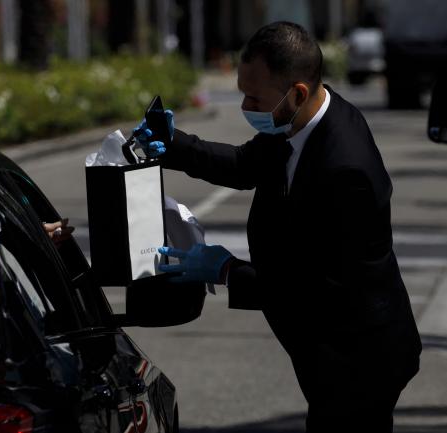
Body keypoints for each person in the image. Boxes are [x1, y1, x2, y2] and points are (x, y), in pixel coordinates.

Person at [135, 21, 422, 433]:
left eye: (254, 97)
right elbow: (244, 164)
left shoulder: (346, 169)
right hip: (328, 349)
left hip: (360, 357)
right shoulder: (299, 121)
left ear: (298, 92)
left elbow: (316, 288)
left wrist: (226, 270)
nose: (245, 106)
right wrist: (174, 145)